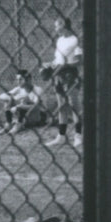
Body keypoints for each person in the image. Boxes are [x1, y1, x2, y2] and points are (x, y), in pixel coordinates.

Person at [44, 16, 83, 148]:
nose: (55, 28)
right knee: (61, 106)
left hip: (69, 74)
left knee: (74, 105)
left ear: (64, 25)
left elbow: (79, 61)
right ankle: (61, 136)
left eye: (57, 26)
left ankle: (78, 136)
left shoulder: (75, 40)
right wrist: (50, 65)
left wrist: (66, 66)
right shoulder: (60, 40)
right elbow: (58, 59)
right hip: (58, 74)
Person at [0, 69, 46, 135]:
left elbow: (36, 107)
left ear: (28, 79)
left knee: (24, 102)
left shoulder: (38, 90)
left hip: (39, 116)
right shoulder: (19, 89)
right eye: (17, 79)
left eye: (20, 79)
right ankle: (9, 124)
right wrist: (11, 99)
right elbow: (1, 96)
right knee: (8, 101)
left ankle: (18, 126)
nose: (18, 82)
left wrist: (19, 106)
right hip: (26, 115)